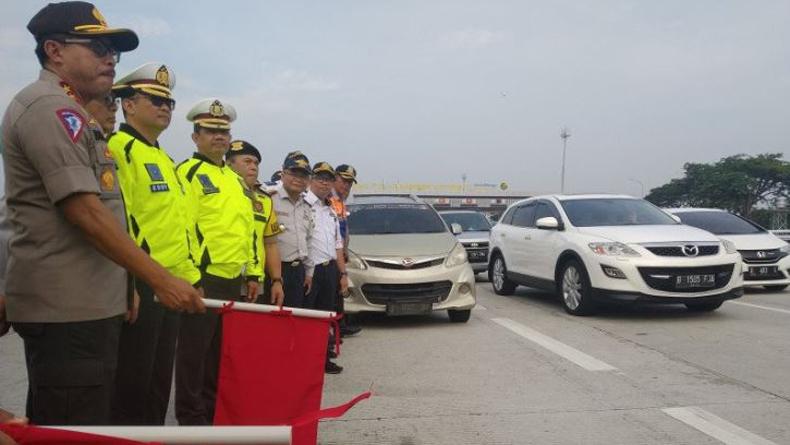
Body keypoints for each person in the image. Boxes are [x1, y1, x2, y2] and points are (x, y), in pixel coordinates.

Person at [1, 1, 203, 426]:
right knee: (76, 427)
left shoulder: (72, 112)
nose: (110, 59)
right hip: (67, 310)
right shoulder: (49, 109)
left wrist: (125, 283)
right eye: (97, 48)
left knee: (92, 422)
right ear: (55, 51)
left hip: (89, 304)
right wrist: (159, 279)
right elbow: (85, 212)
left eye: (114, 51)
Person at [108, 63, 203, 425]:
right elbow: (119, 224)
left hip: (172, 288)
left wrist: (190, 277)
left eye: (170, 102)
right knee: (131, 386)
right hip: (143, 286)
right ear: (128, 105)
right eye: (154, 99)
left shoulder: (163, 159)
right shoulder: (118, 149)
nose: (165, 108)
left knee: (159, 385)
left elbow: (178, 227)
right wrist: (128, 282)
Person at [175, 98, 260, 425]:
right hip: (202, 278)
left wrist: (253, 273)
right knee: (193, 356)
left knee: (217, 356)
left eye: (224, 131)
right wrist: (190, 276)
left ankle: (212, 413)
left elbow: (248, 229)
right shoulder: (188, 172)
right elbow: (182, 226)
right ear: (196, 136)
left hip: (231, 279)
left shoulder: (235, 180)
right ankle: (190, 419)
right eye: (211, 131)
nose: (219, 137)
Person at [226, 140, 285, 306]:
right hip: (222, 274)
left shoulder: (264, 200)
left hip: (254, 281)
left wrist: (276, 281)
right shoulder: (219, 194)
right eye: (247, 162)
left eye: (256, 163)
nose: (253, 167)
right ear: (229, 165)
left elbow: (271, 244)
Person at [304, 162, 348, 374]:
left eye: (328, 179)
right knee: (306, 318)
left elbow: (338, 244)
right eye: (319, 177)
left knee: (325, 317)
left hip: (329, 269)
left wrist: (343, 274)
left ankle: (322, 359)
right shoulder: (302, 204)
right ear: (311, 179)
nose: (324, 182)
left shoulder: (331, 208)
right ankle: (306, 361)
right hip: (309, 271)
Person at [271, 152, 314, 308]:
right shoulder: (270, 199)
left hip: (298, 272)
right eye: (293, 173)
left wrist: (309, 272)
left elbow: (308, 240)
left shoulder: (306, 205)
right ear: (283, 173)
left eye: (303, 175)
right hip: (275, 271)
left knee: (294, 316)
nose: (298, 179)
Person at [329, 164, 362, 337]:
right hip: (329, 252)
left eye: (350, 182)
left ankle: (340, 324)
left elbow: (344, 228)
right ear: (335, 178)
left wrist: (346, 248)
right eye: (344, 181)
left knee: (338, 290)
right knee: (333, 291)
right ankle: (336, 326)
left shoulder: (341, 200)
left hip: (340, 251)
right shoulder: (327, 198)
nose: (346, 185)